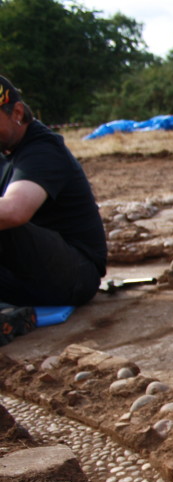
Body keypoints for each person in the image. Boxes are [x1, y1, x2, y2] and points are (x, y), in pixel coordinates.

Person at [0, 75, 107, 316]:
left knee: (4, 221)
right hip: (26, 275)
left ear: (17, 113)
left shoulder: (43, 150)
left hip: (74, 276)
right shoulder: (5, 149)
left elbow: (15, 211)